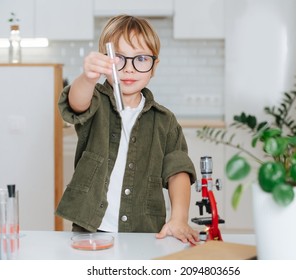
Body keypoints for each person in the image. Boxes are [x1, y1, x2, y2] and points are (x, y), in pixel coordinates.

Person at [56, 14, 199, 243]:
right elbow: (76, 103)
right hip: (92, 229)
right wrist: (87, 77)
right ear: (106, 61)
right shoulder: (95, 101)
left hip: (144, 229)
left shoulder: (165, 121)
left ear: (154, 66)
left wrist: (179, 218)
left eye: (141, 59)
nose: (129, 69)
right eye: (119, 58)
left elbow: (178, 170)